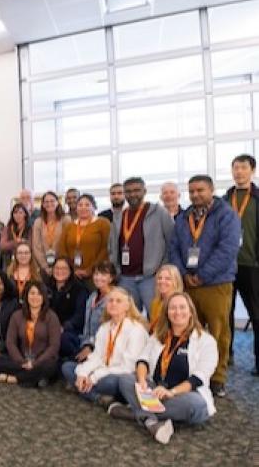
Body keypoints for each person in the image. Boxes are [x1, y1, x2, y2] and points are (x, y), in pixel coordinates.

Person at [108, 293, 219, 445]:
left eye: (182, 307)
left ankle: (137, 414)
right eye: (173, 308)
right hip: (155, 391)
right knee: (125, 379)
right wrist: (141, 381)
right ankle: (151, 421)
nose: (177, 312)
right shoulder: (158, 336)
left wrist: (171, 392)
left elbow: (199, 378)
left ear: (191, 311)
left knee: (196, 404)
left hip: (183, 395)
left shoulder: (205, 341)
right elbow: (143, 360)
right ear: (167, 312)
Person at [168, 175, 240, 397]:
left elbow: (227, 250)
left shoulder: (227, 215)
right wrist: (183, 273)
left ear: (211, 189)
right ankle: (192, 372)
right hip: (188, 284)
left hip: (216, 284)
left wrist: (202, 275)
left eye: (200, 190)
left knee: (218, 331)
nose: (195, 194)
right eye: (191, 191)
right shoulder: (184, 217)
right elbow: (174, 247)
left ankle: (217, 377)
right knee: (189, 330)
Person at [62, 287, 148, 407]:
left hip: (121, 375)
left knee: (109, 382)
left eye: (118, 301)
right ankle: (97, 397)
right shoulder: (104, 327)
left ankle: (82, 388)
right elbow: (96, 356)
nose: (113, 304)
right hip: (101, 371)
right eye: (110, 300)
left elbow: (128, 367)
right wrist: (84, 373)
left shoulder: (136, 329)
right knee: (67, 367)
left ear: (127, 306)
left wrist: (94, 377)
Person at [109, 177, 174, 315]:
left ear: (144, 191)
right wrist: (115, 269)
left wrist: (162, 269)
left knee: (157, 318)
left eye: (137, 190)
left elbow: (172, 241)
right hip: (125, 278)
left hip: (150, 277)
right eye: (128, 191)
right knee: (128, 319)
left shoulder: (158, 212)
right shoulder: (120, 215)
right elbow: (113, 244)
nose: (133, 194)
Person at [223, 154, 259, 376]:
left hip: (252, 265)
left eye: (243, 168)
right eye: (235, 168)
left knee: (257, 314)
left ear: (252, 170)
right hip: (226, 266)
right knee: (225, 314)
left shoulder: (257, 198)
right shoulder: (224, 200)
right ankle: (226, 355)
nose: (239, 172)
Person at [0, 282, 60, 387]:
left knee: (51, 367)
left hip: (42, 360)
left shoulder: (52, 317)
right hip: (22, 358)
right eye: (32, 293)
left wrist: (35, 363)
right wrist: (21, 361)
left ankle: (16, 378)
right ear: (26, 296)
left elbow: (54, 346)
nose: (35, 297)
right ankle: (34, 378)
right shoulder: (17, 315)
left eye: (39, 294)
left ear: (44, 297)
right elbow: (10, 342)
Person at [61, 261, 117, 360]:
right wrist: (86, 344)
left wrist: (90, 346)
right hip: (86, 341)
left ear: (111, 278)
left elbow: (110, 331)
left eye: (103, 275)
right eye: (96, 274)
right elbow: (86, 326)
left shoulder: (114, 299)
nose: (98, 278)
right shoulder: (92, 296)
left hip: (102, 345)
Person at [58, 194, 110, 288]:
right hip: (72, 274)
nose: (83, 208)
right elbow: (62, 249)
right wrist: (71, 269)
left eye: (87, 205)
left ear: (93, 207)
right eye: (80, 205)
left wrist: (90, 270)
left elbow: (105, 248)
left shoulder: (103, 223)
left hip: (96, 274)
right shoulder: (69, 226)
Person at [30, 191, 70, 275]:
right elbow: (36, 246)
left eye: (52, 201)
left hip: (62, 265)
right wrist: (45, 266)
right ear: (43, 205)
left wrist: (60, 264)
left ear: (57, 202)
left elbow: (68, 243)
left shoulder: (65, 219)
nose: (49, 204)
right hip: (44, 266)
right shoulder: (38, 221)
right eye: (46, 202)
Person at [45, 257, 89, 327]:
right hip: (48, 328)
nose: (60, 271)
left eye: (64, 268)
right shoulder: (47, 286)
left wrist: (64, 327)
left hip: (70, 330)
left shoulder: (79, 289)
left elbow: (80, 315)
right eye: (57, 268)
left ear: (70, 270)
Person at [148, 264, 184, 333]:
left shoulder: (180, 303)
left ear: (176, 281)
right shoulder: (155, 303)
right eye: (160, 278)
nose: (162, 281)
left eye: (168, 279)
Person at [0, 203, 31, 268]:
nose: (18, 215)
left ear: (25, 214)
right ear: (12, 215)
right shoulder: (7, 228)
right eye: (15, 213)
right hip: (9, 261)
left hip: (25, 260)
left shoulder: (30, 228)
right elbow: (2, 246)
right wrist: (16, 242)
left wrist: (11, 244)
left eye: (20, 212)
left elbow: (31, 244)